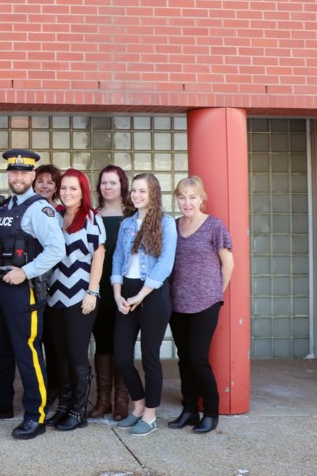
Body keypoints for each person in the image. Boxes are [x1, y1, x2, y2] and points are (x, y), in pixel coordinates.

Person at [0, 149, 66, 440]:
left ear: (32, 176)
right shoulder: (3, 206)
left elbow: (56, 250)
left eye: (24, 173)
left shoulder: (39, 209)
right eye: (14, 172)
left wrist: (26, 272)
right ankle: (1, 403)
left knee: (27, 353)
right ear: (8, 175)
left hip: (23, 290)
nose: (18, 177)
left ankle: (35, 414)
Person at [111, 173, 177, 436]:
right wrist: (118, 294)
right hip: (126, 291)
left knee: (150, 357)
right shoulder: (127, 224)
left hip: (153, 294)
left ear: (153, 194)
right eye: (134, 191)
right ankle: (137, 406)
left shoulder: (166, 223)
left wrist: (141, 296)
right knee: (121, 356)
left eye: (142, 191)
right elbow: (117, 258)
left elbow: (165, 264)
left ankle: (150, 415)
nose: (136, 196)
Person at [167, 176, 234, 434]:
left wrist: (217, 293)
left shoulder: (214, 226)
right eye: (182, 196)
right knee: (184, 359)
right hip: (177, 302)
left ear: (201, 199)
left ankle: (211, 411)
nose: (187, 202)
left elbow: (228, 264)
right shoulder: (173, 227)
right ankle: (189, 409)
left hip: (206, 302)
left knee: (197, 357)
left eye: (192, 196)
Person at [44, 168, 106, 431]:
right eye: (64, 188)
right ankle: (64, 407)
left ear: (83, 192)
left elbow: (99, 256)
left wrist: (92, 292)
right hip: (54, 296)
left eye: (74, 188)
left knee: (77, 355)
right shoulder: (55, 216)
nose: (67, 193)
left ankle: (78, 412)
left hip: (80, 296)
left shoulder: (92, 218)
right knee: (60, 356)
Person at [89, 165, 134, 421]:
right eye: (104, 183)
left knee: (123, 344)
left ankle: (121, 400)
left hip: (125, 289)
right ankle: (103, 399)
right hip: (99, 288)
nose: (107, 187)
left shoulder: (133, 216)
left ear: (122, 186)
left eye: (113, 183)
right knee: (103, 342)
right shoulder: (93, 216)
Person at [32, 162, 62, 405]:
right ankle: (38, 388)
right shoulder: (25, 209)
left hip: (57, 285)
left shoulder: (60, 213)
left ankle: (54, 389)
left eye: (49, 182)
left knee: (54, 341)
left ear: (56, 188)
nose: (44, 185)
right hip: (31, 284)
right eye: (40, 181)